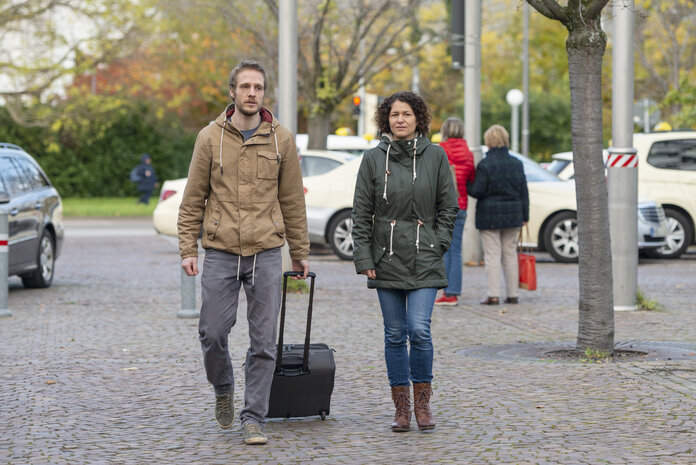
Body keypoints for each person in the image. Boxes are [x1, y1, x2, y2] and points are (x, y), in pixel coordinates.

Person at [177, 60, 310, 445]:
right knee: (212, 333)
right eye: (245, 86)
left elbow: (292, 201)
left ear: (263, 93)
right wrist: (188, 247)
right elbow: (193, 199)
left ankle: (254, 418)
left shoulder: (281, 139)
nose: (252, 93)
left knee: (265, 341)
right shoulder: (209, 137)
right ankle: (223, 387)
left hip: (267, 250)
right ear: (232, 91)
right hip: (220, 251)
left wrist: (299, 251)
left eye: (258, 87)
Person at [352, 91, 458, 432]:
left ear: (418, 119)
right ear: (387, 119)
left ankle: (423, 404)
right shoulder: (372, 159)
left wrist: (437, 244)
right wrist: (365, 256)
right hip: (385, 258)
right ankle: (401, 409)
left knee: (419, 329)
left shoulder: (436, 156)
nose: (400, 119)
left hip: (425, 257)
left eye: (407, 114)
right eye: (394, 114)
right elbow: (360, 213)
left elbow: (448, 207)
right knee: (395, 334)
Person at [467, 124, 529, 305]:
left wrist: (466, 183)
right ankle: (513, 294)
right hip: (513, 215)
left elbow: (477, 191)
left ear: (489, 141)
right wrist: (525, 215)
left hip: (489, 216)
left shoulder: (485, 165)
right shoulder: (516, 163)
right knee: (510, 254)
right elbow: (523, 191)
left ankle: (493, 295)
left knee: (492, 255)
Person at [434, 117, 475, 306]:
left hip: (443, 206)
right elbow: (471, 178)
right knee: (456, 250)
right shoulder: (468, 153)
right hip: (462, 204)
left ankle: (448, 293)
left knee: (443, 249)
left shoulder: (440, 150)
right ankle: (453, 292)